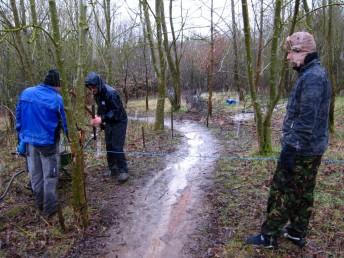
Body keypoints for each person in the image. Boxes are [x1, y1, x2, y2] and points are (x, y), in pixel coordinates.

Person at [245, 32, 331, 248]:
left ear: (302, 52)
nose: (288, 58)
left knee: (285, 190)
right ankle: (296, 232)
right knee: (304, 191)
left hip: (301, 149)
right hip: (310, 148)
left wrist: (290, 150)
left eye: (291, 53)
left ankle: (269, 236)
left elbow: (306, 121)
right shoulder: (313, 73)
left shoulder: (312, 78)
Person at [16, 69, 68, 217]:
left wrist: (20, 138)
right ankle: (50, 210)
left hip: (29, 143)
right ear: (57, 84)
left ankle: (39, 204)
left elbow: (19, 119)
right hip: (48, 145)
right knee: (50, 177)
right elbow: (65, 123)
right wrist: (71, 139)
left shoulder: (26, 93)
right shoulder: (57, 98)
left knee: (35, 175)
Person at [85, 72, 129, 183]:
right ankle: (112, 168)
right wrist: (98, 118)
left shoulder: (111, 93)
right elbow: (102, 107)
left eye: (93, 87)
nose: (92, 90)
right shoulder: (97, 94)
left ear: (98, 84)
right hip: (109, 122)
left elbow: (116, 111)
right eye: (90, 88)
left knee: (116, 145)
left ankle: (123, 170)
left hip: (119, 121)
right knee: (109, 144)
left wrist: (102, 119)